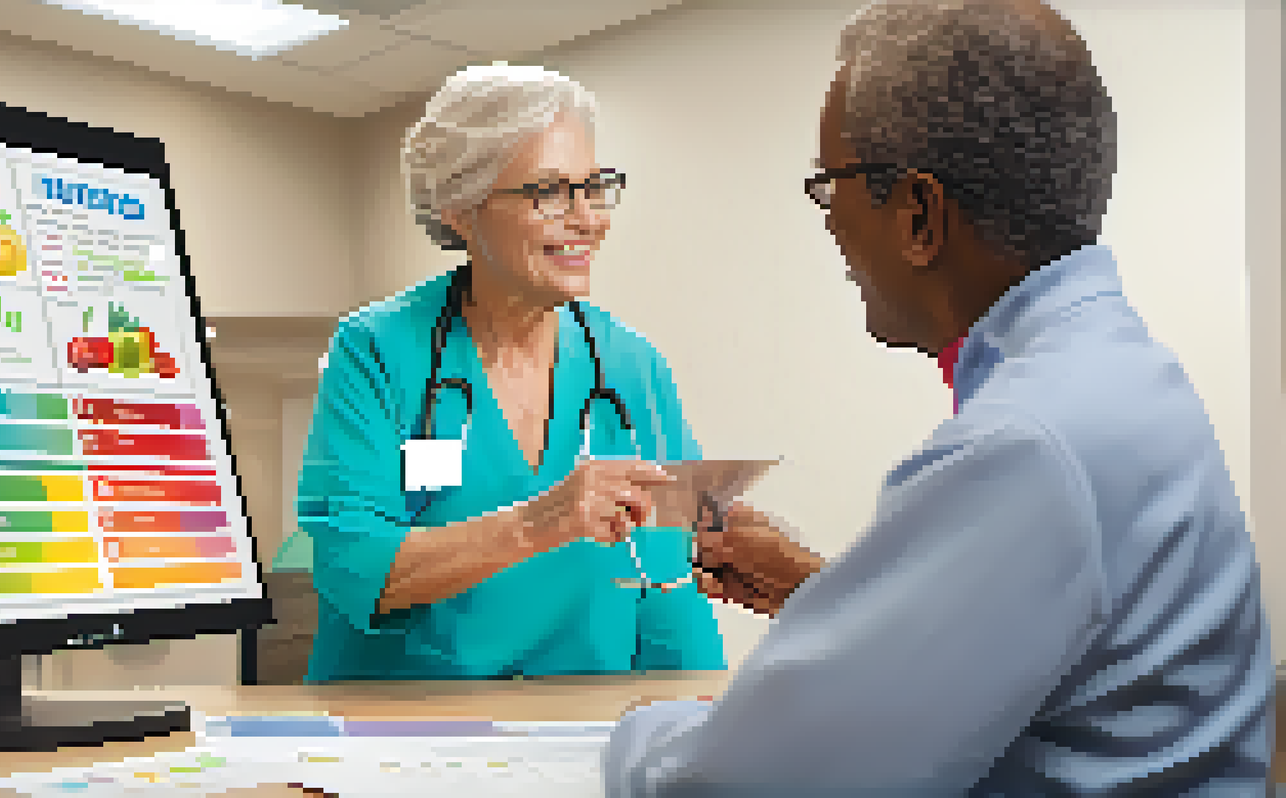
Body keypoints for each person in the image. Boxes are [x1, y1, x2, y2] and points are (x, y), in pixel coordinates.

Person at [604, 0, 1274, 795]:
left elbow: (736, 786)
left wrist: (634, 733)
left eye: (831, 187)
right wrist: (830, 599)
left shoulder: (1025, 444)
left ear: (918, 215)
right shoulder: (1123, 374)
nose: (831, 225)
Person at [288, 64, 728, 681]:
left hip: (573, 736)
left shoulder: (633, 367)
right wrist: (537, 523)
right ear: (461, 210)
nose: (588, 219)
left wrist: (707, 729)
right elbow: (353, 565)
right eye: (549, 192)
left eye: (594, 187)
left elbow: (667, 582)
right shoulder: (376, 349)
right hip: (399, 734)